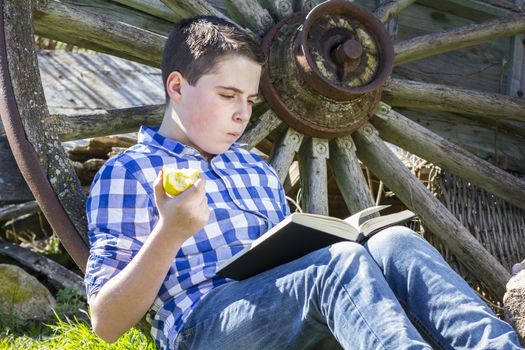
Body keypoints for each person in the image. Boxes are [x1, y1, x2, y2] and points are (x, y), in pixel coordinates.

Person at [84, 15, 522, 350]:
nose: (242, 114)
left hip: (286, 307)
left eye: (250, 100)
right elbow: (106, 324)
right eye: (227, 95)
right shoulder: (131, 172)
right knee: (338, 264)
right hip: (202, 325)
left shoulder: (253, 169)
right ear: (177, 87)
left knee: (395, 244)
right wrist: (170, 233)